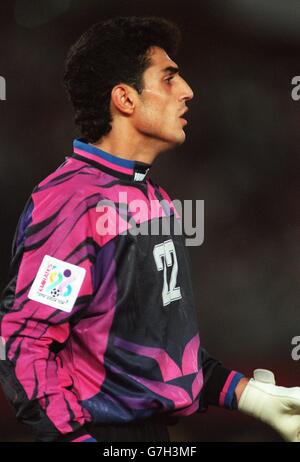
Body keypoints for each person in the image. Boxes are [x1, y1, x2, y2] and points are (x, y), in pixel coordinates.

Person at [0, 16, 299, 443]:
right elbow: (23, 342)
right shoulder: (74, 202)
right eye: (170, 78)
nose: (188, 91)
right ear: (125, 98)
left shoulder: (152, 197)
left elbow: (158, 350)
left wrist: (250, 396)